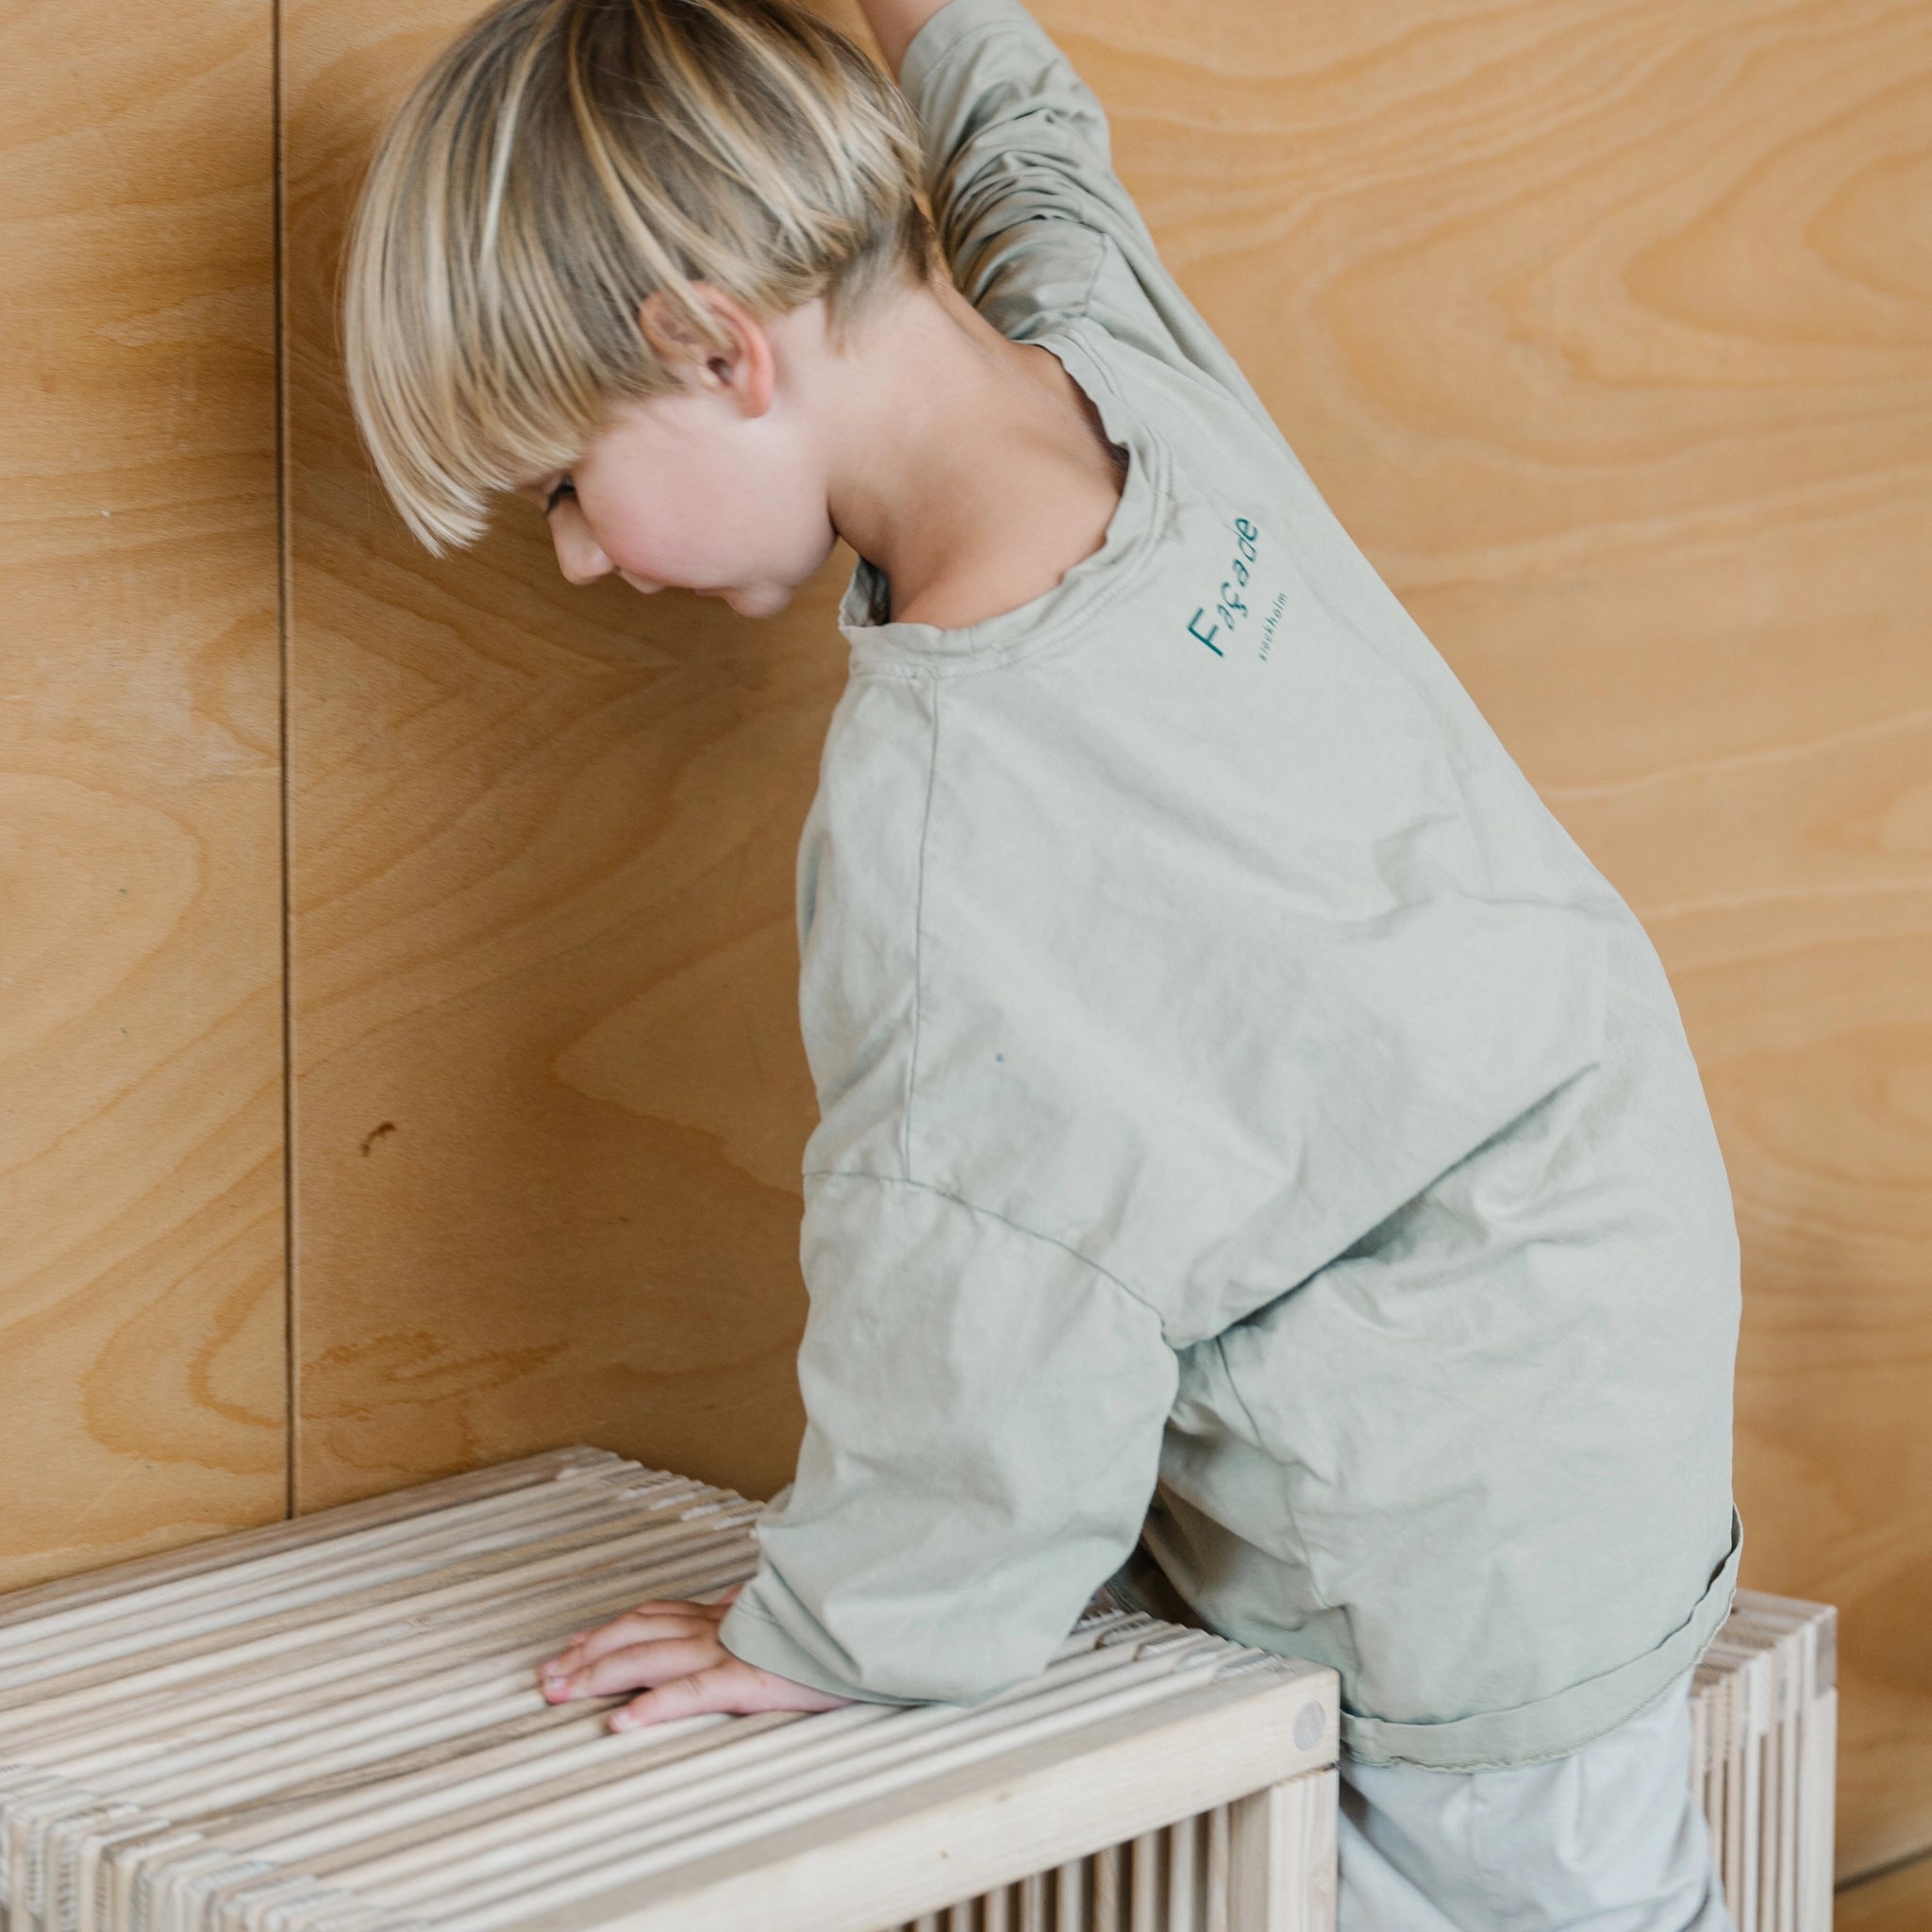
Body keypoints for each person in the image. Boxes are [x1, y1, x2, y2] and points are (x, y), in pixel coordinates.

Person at [341, 1, 1743, 1924]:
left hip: (1440, 1511)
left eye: (560, 489)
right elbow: (1018, 135)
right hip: (1595, 1272)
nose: (580, 558)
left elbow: (980, 1331)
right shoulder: (1108, 346)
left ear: (714, 347)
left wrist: (834, 1629)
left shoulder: (943, 827)